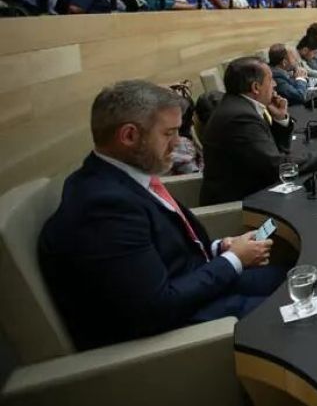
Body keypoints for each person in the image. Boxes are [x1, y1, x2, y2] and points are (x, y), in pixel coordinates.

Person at [38, 80, 281, 350]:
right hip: (184, 327)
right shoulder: (103, 207)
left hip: (197, 283)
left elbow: (166, 252)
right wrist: (234, 259)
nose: (178, 143)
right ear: (129, 136)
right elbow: (156, 307)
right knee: (308, 308)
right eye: (169, 133)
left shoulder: (124, 175)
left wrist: (220, 248)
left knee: (302, 277)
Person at [200, 57, 317, 205]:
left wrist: (280, 119)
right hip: (238, 203)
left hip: (251, 188)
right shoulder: (240, 117)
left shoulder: (239, 105)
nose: (275, 85)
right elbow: (276, 166)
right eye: (270, 80)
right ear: (256, 87)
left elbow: (275, 152)